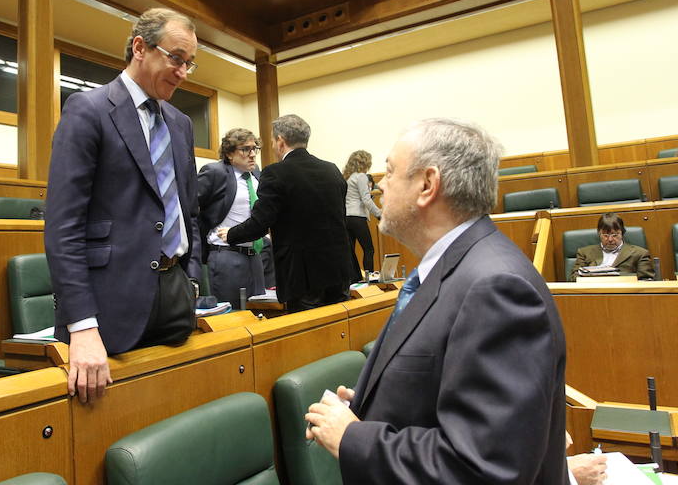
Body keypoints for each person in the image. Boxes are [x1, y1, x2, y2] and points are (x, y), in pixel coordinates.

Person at [304, 118, 568, 484]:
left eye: (392, 172)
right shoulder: (455, 267)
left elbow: (483, 466)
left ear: (427, 185)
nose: (381, 184)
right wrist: (371, 404)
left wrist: (352, 436)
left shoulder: (496, 287)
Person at [44, 7, 202, 403]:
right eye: (176, 59)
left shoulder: (180, 124)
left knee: (176, 413)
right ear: (139, 47)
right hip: (108, 308)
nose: (183, 72)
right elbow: (64, 228)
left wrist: (192, 281)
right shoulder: (88, 110)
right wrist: (81, 325)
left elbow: (188, 211)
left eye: (190, 64)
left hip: (175, 298)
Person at [218, 114, 354, 313]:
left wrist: (230, 234)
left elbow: (260, 223)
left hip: (303, 277)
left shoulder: (275, 173)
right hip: (340, 271)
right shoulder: (332, 170)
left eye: (272, 141)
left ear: (280, 141)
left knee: (308, 337)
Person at [197, 128, 267, 306]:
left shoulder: (257, 175)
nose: (252, 154)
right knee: (231, 316)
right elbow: (192, 209)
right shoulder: (215, 172)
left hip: (256, 256)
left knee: (259, 312)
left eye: (255, 149)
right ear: (229, 153)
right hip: (226, 255)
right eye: (245, 149)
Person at [570, 212, 654, 281]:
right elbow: (573, 279)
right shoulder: (584, 253)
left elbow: (647, 281)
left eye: (615, 235)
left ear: (622, 233)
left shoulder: (640, 254)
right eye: (605, 235)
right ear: (599, 234)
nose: (610, 239)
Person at [342, 150, 382, 282]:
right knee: (369, 249)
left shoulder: (348, 177)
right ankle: (369, 279)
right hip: (358, 217)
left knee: (351, 252)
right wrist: (379, 214)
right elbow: (366, 199)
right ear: (365, 162)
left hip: (346, 217)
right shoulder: (361, 176)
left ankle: (352, 280)